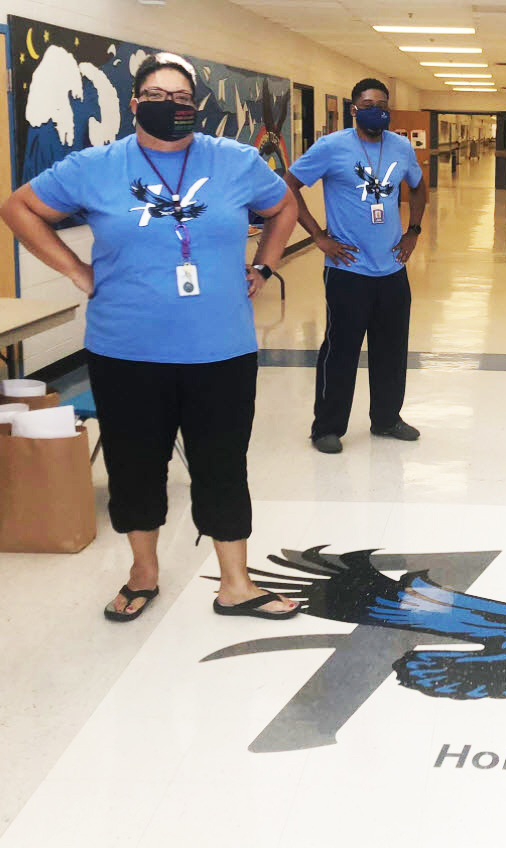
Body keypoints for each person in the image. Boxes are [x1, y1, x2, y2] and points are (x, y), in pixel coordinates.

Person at [0, 53, 299, 621]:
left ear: (195, 107)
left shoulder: (233, 161)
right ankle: (143, 573)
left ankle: (236, 583)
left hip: (221, 349)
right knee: (136, 465)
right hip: (126, 349)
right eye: (157, 96)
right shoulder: (95, 166)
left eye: (182, 98)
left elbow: (282, 206)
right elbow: (19, 209)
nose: (171, 106)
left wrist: (262, 266)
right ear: (135, 104)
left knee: (222, 464)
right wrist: (75, 270)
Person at [285, 78, 427, 454]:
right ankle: (327, 427)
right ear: (353, 109)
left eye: (382, 103)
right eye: (367, 103)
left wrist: (413, 229)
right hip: (348, 270)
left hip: (393, 269)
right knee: (341, 349)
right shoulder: (331, 147)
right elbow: (289, 187)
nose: (375, 108)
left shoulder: (400, 147)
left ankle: (386, 419)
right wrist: (318, 235)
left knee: (392, 349)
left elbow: (418, 186)